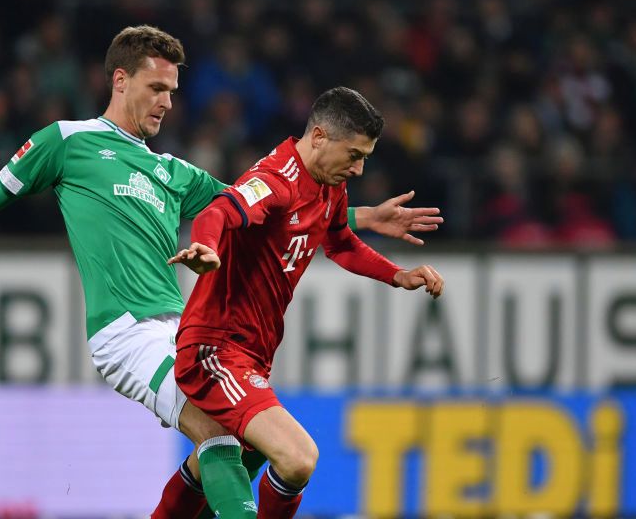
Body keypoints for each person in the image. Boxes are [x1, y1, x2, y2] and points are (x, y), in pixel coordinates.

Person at [0, 25, 442, 517]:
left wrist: (359, 216)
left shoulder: (173, 172)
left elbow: (266, 203)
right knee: (224, 437)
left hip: (181, 328)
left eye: (173, 91)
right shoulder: (67, 143)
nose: (167, 102)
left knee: (236, 449)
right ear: (120, 81)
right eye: (156, 88)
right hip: (125, 330)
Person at [169, 86, 444, 518]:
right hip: (214, 347)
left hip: (253, 353)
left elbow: (340, 243)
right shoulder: (276, 181)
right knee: (297, 458)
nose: (358, 168)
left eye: (365, 156)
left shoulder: (327, 185)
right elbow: (216, 212)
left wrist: (398, 275)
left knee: (233, 458)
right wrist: (206, 247)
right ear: (318, 137)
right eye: (354, 154)